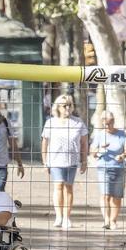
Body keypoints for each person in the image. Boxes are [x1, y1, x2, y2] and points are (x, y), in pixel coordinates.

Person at [41, 93, 88, 230]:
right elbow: (44, 142)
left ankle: (67, 217)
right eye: (64, 105)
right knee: (58, 186)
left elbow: (84, 143)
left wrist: (84, 161)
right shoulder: (50, 122)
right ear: (58, 107)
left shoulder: (78, 122)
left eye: (69, 105)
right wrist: (45, 161)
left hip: (71, 161)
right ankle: (59, 216)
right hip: (55, 160)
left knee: (68, 188)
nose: (67, 108)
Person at [91, 110, 126, 230]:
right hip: (104, 168)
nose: (108, 125)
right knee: (105, 195)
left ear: (113, 121)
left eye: (110, 122)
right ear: (102, 123)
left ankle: (113, 220)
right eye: (105, 123)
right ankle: (106, 219)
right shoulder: (99, 135)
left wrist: (122, 156)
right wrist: (101, 149)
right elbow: (93, 152)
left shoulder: (122, 134)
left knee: (117, 196)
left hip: (119, 168)